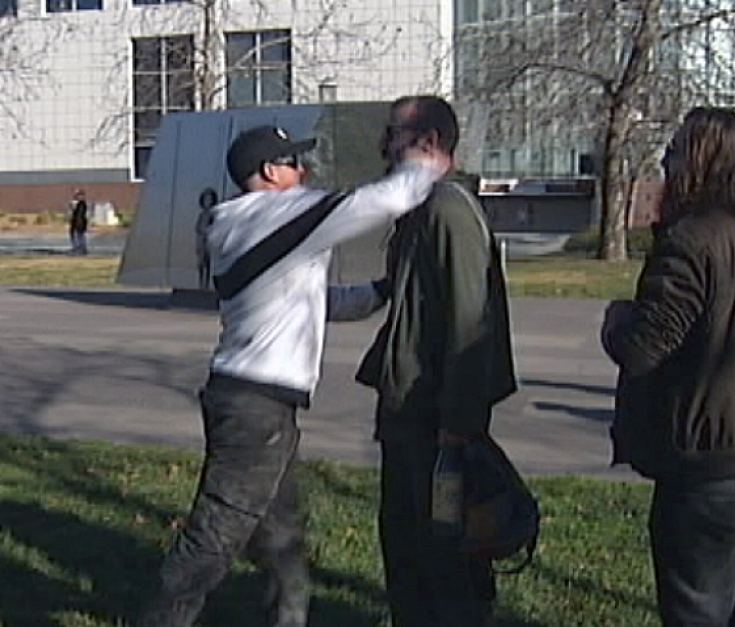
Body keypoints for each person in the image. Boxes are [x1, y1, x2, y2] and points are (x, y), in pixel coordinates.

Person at [138, 124, 448, 627]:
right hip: (254, 406)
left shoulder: (249, 225)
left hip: (254, 400)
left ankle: (288, 617)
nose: (305, 173)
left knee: (281, 532)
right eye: (294, 164)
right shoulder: (277, 213)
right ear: (268, 172)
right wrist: (424, 163)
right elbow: (380, 201)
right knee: (217, 531)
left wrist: (385, 288)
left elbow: (317, 302)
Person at [601, 107, 735, 626]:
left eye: (674, 153)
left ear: (698, 163)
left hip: (715, 460)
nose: (666, 164)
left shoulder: (693, 240)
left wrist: (617, 321)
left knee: (698, 606)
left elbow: (643, 348)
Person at [355, 96, 517, 627]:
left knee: (443, 561)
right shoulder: (419, 210)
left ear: (426, 143)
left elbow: (473, 321)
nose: (384, 146)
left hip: (435, 423)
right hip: (409, 414)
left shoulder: (448, 209)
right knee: (407, 552)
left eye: (393, 135)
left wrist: (459, 425)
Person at [195, 187, 218, 290]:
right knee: (200, 263)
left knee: (207, 263)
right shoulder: (202, 215)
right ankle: (200, 284)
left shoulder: (212, 214)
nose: (207, 202)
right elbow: (197, 227)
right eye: (205, 200)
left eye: (209, 200)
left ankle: (206, 284)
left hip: (208, 240)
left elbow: (213, 227)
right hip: (200, 240)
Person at [69, 189, 89, 255]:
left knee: (80, 236)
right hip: (78, 222)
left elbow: (79, 214)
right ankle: (79, 248)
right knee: (78, 235)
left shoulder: (81, 204)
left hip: (80, 222)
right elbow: (74, 212)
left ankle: (80, 248)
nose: (77, 197)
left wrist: (79, 222)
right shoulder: (78, 203)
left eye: (79, 195)